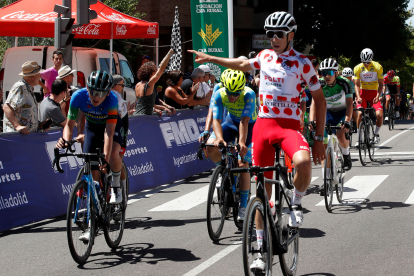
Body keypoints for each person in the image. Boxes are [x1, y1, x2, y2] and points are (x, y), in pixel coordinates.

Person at [189, 11, 327, 272]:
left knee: (304, 163)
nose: (273, 39)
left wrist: (318, 139)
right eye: (269, 34)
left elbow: (319, 100)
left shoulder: (303, 63)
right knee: (261, 194)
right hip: (263, 126)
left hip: (288, 127)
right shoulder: (264, 57)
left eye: (279, 34)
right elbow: (241, 65)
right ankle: (258, 252)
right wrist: (211, 59)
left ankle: (295, 203)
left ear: (291, 36)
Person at [56, 71, 121, 241]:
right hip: (92, 128)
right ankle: (93, 217)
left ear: (107, 92)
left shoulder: (112, 99)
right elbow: (69, 124)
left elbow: (109, 132)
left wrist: (105, 159)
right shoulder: (78, 96)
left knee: (111, 155)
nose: (95, 96)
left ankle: (115, 187)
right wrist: (65, 140)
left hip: (110, 127)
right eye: (92, 91)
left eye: (100, 93)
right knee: (93, 174)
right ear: (87, 88)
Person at [206, 70, 257, 220]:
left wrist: (241, 143)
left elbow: (244, 121)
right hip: (230, 122)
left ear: (241, 89)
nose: (232, 96)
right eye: (229, 92)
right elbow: (216, 120)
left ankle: (243, 206)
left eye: (236, 93)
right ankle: (224, 171)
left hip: (250, 125)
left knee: (243, 164)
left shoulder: (249, 94)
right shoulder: (219, 93)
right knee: (211, 145)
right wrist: (219, 139)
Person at [311, 59, 353, 192]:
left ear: (336, 73)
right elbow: (314, 103)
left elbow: (350, 104)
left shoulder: (345, 83)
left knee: (341, 134)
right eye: (323, 73)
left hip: (341, 112)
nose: (326, 76)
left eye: (329, 73)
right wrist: (312, 120)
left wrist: (347, 120)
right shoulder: (320, 83)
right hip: (327, 112)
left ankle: (346, 154)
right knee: (323, 145)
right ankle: (326, 179)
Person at [3, 61, 51, 134]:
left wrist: (39, 124)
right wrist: (17, 126)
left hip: (26, 139)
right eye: (39, 74)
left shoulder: (28, 89)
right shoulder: (20, 87)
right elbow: (7, 107)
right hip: (16, 139)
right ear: (33, 77)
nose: (40, 77)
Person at [354, 48, 383, 146]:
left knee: (379, 114)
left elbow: (381, 84)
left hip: (374, 93)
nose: (366, 64)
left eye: (368, 62)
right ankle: (359, 138)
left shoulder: (378, 67)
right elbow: (357, 85)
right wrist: (358, 96)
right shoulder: (357, 68)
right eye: (364, 62)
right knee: (359, 114)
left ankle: (376, 134)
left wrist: (378, 96)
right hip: (363, 94)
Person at [134, 49, 175, 115]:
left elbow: (143, 104)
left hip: (137, 116)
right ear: (150, 72)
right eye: (155, 71)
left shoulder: (137, 85)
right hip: (145, 119)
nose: (156, 72)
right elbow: (161, 70)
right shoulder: (149, 84)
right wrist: (169, 53)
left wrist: (159, 108)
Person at [341, 67, 357, 131]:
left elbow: (356, 91)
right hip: (344, 95)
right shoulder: (340, 81)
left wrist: (355, 99)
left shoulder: (353, 81)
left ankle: (355, 123)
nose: (347, 79)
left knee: (353, 106)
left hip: (352, 94)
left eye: (349, 78)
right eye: (346, 78)